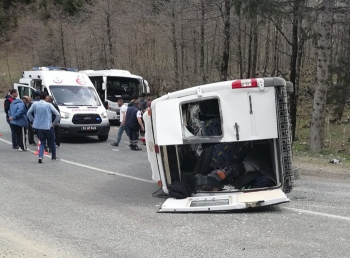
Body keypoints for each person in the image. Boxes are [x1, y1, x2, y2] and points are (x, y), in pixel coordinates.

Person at [27, 92, 61, 163]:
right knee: (52, 142)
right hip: (48, 126)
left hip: (38, 126)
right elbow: (57, 114)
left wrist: (33, 121)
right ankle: (53, 157)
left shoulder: (35, 104)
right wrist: (54, 123)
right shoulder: (49, 105)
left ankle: (40, 156)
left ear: (39, 97)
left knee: (42, 142)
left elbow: (28, 113)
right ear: (46, 97)